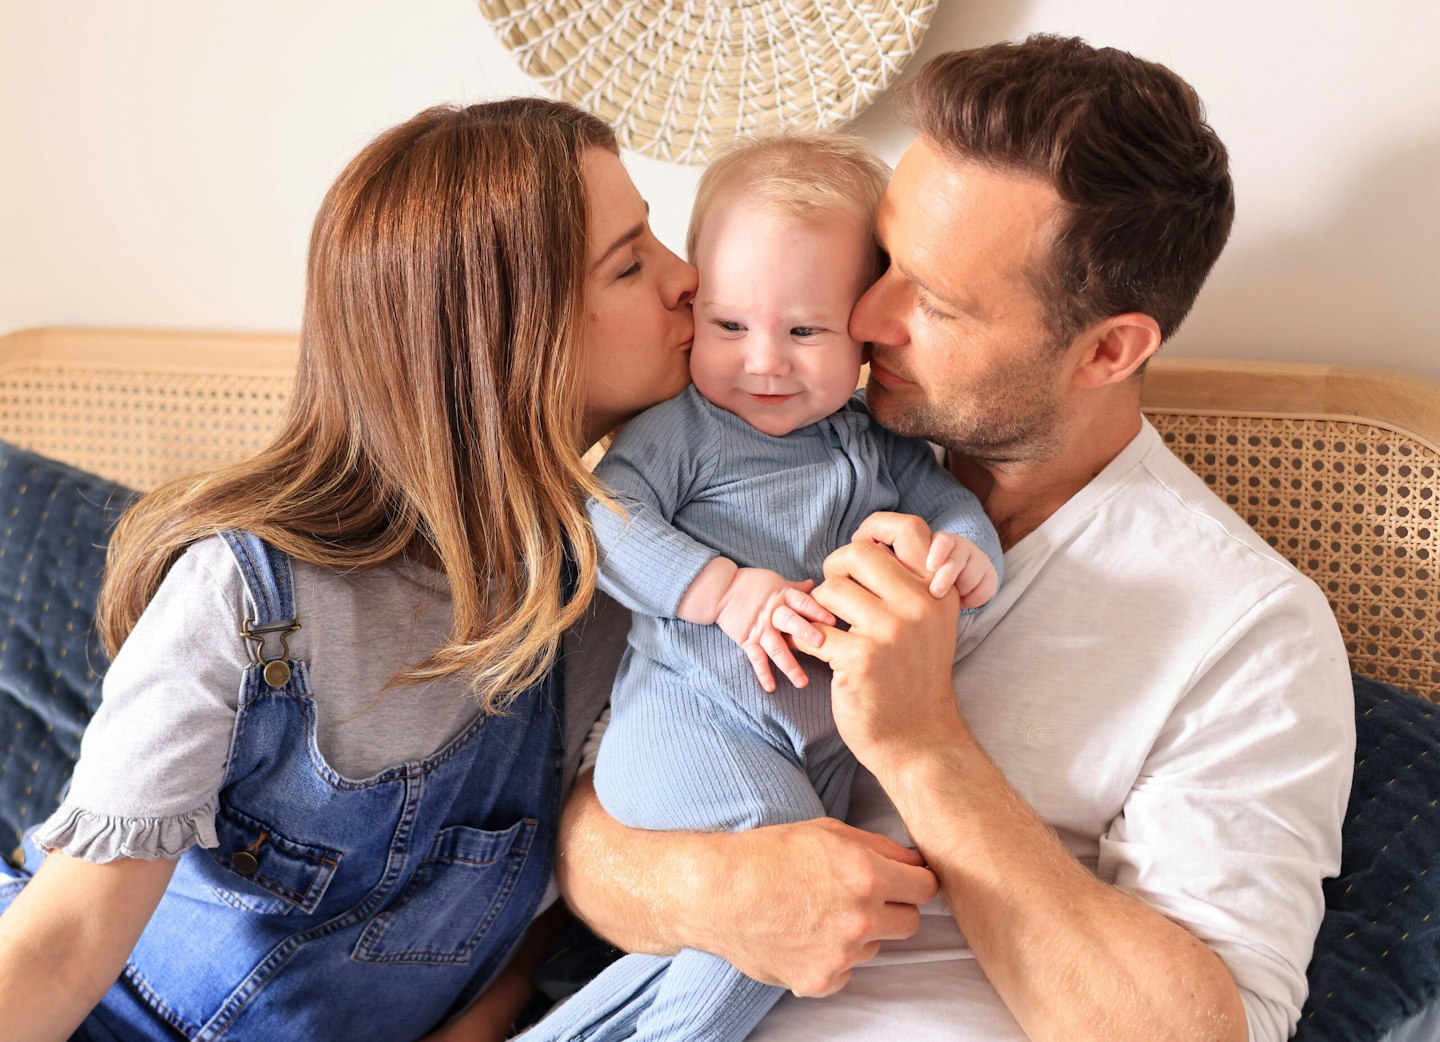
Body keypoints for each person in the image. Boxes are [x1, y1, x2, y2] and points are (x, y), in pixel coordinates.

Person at [556, 34, 1356, 1042]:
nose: (868, 316)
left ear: (1108, 348)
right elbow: (577, 828)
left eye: (929, 297)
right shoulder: (755, 444)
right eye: (883, 262)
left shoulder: (1243, 629)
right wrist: (706, 885)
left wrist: (924, 744)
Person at [0, 97, 699, 1042]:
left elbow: (527, 944)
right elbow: (61, 943)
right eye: (632, 262)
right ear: (499, 338)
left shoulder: (616, 587)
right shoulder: (246, 597)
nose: (689, 280)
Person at [521, 136, 1001, 1042]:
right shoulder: (683, 429)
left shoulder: (881, 447)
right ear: (697, 304)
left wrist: (967, 557)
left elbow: (952, 510)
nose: (764, 363)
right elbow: (606, 519)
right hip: (690, 724)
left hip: (807, 750)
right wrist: (727, 593)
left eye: (806, 331)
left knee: (723, 954)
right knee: (796, 904)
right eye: (730, 326)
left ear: (863, 329)